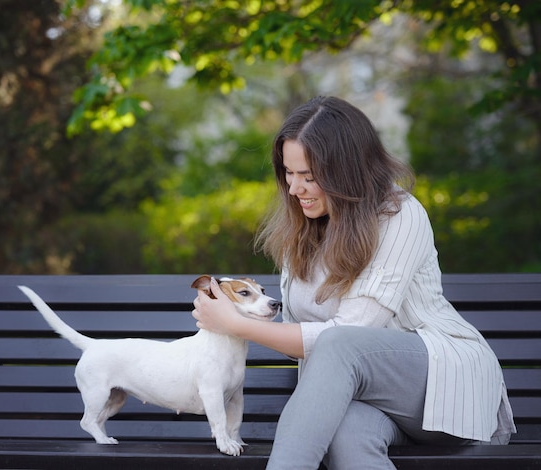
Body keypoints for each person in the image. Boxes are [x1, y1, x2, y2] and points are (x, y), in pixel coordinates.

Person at [191, 96, 516, 469]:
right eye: (288, 172)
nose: (295, 188)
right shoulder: (302, 231)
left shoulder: (398, 214)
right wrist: (231, 311)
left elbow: (349, 335)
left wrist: (237, 325)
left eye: (309, 176)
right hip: (367, 400)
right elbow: (302, 337)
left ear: (347, 171)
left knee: (340, 343)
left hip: (443, 382)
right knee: (345, 437)